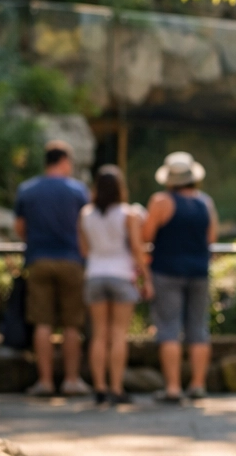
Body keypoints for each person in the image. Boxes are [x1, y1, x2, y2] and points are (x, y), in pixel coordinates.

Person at [14, 140, 91, 396]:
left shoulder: (27, 189)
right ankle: (71, 380)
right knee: (72, 324)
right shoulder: (78, 190)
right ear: (64, 161)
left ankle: (45, 381)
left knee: (42, 322)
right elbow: (85, 227)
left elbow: (20, 227)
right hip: (72, 261)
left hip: (38, 260)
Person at [143, 151, 217, 403]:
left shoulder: (160, 201)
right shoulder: (205, 202)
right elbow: (211, 237)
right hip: (199, 272)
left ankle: (173, 388)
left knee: (169, 329)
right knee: (198, 328)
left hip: (166, 272)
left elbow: (146, 235)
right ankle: (198, 385)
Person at [79, 165, 152, 405]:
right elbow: (137, 249)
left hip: (94, 274)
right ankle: (116, 388)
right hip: (121, 275)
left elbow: (84, 250)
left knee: (99, 334)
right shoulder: (128, 214)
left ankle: (99, 388)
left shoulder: (85, 214)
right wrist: (146, 278)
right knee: (119, 334)